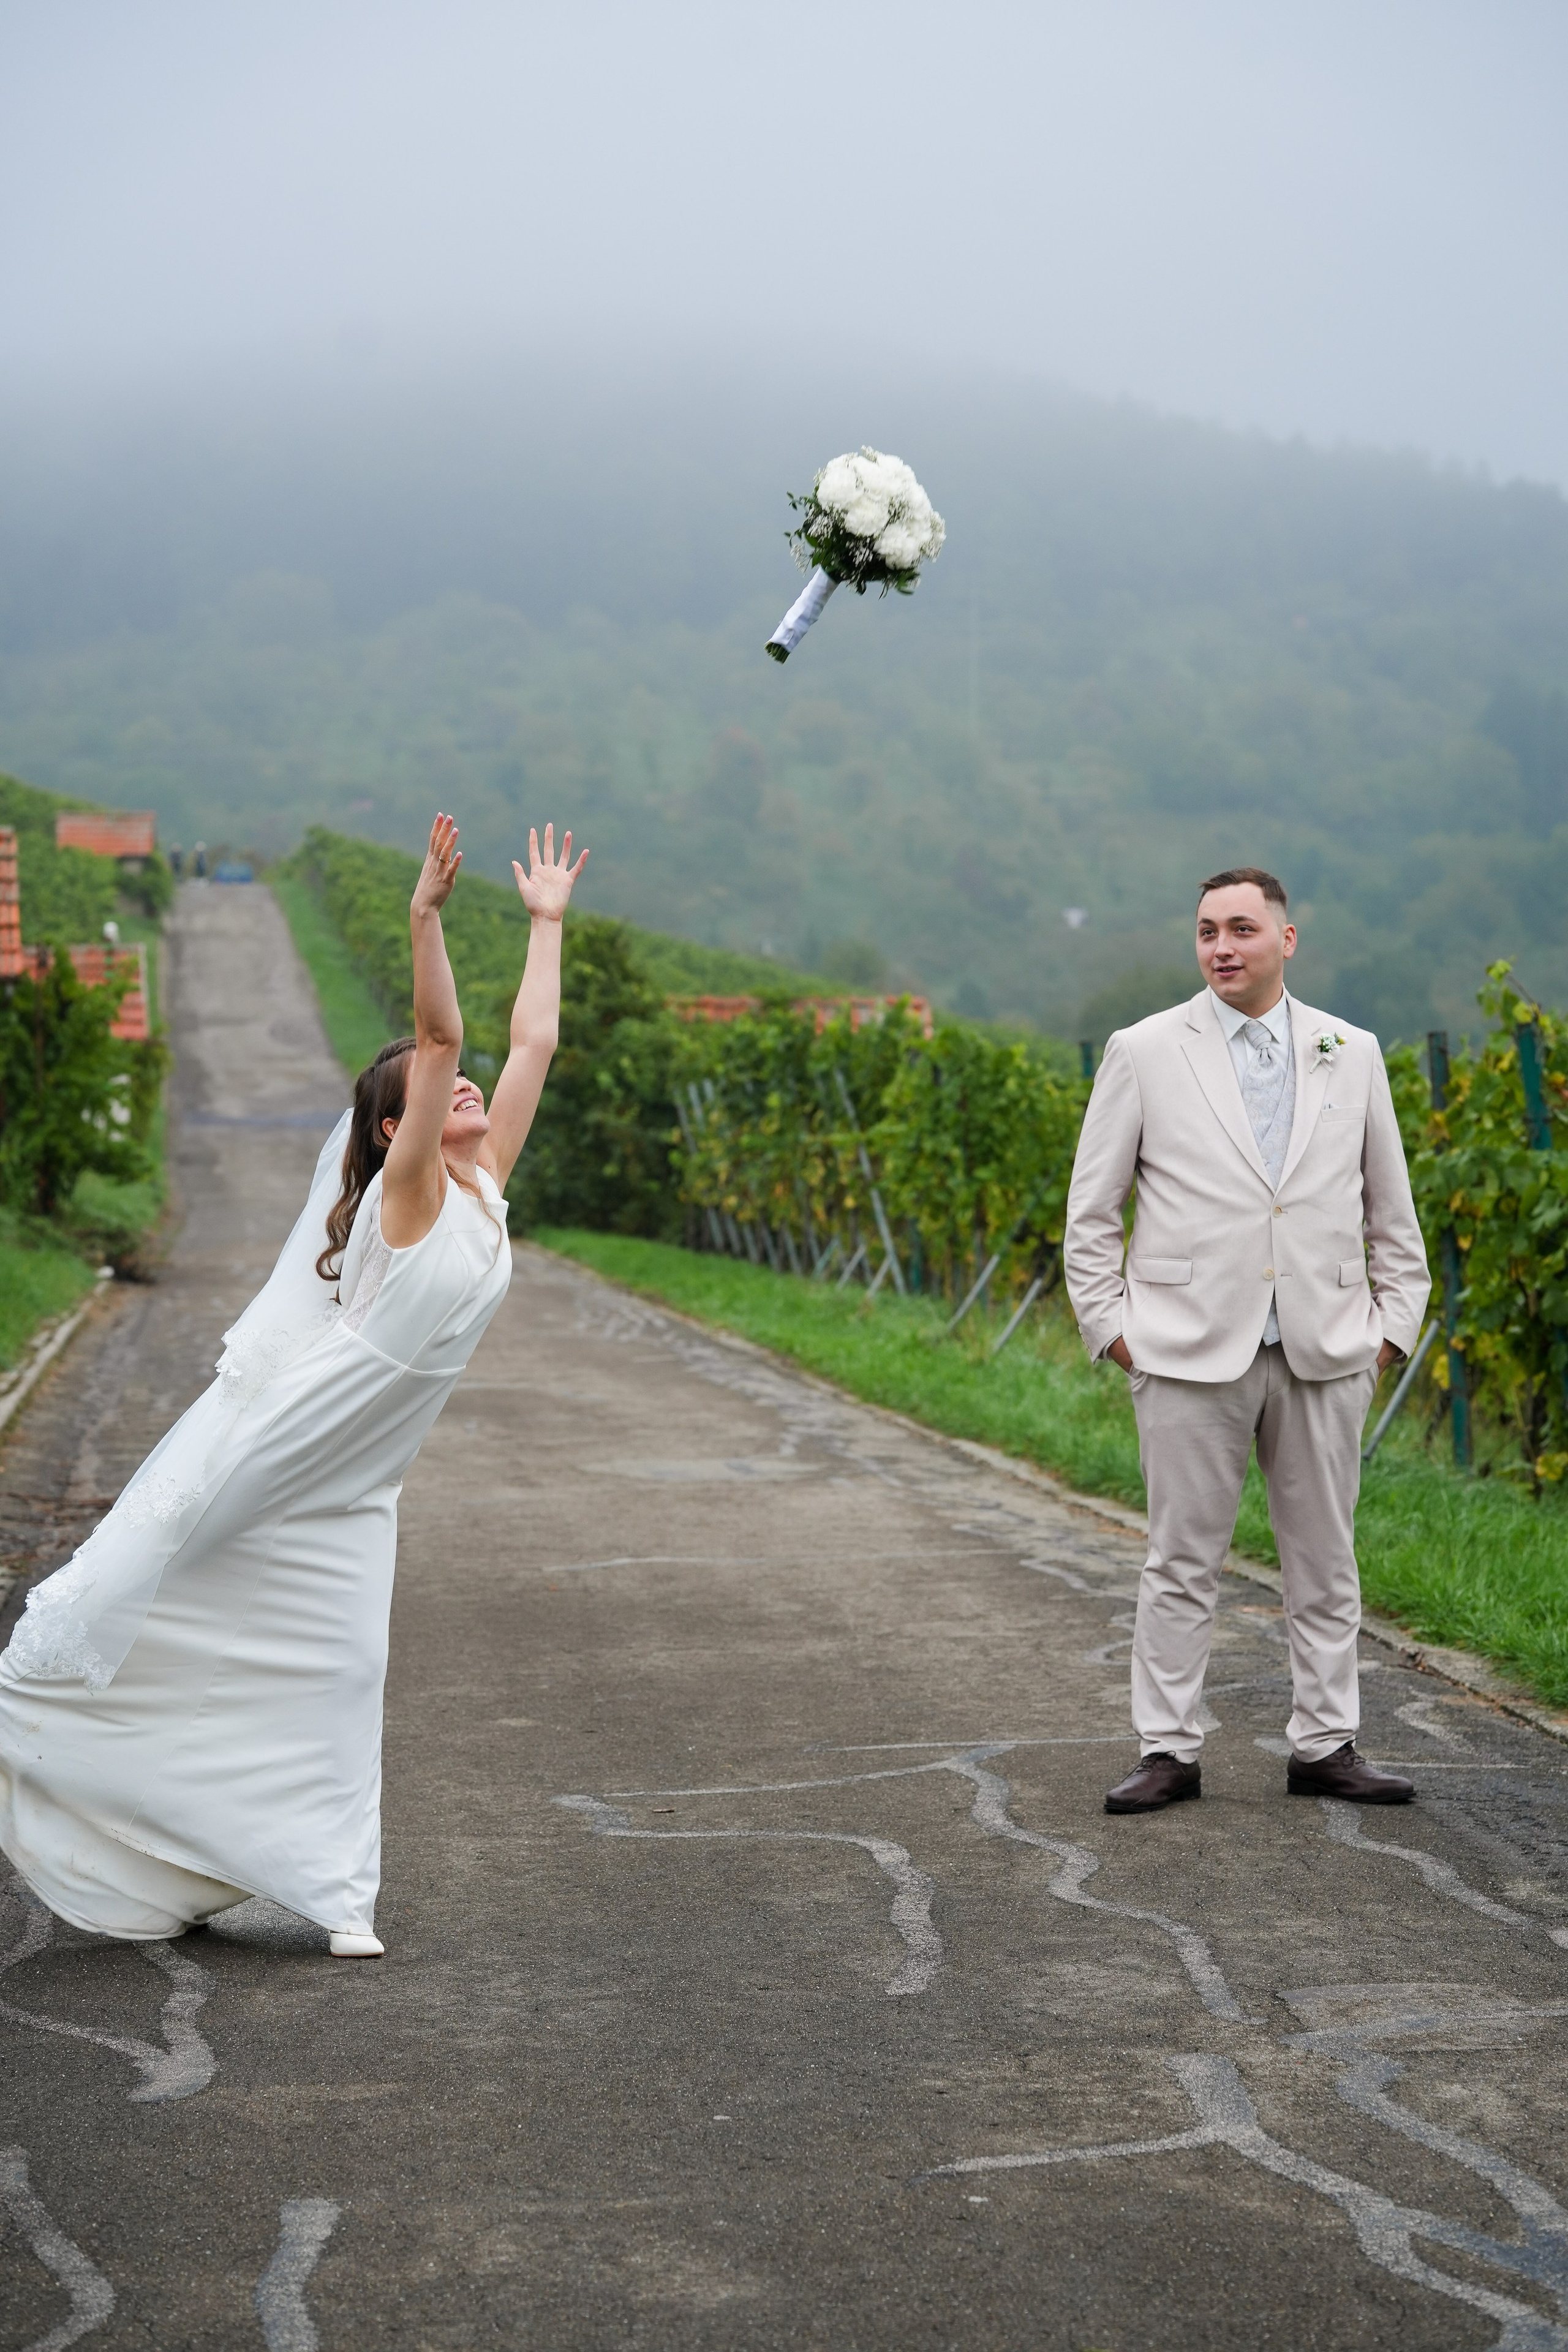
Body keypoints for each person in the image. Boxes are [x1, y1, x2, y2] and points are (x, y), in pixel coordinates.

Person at [0, 812, 586, 1953]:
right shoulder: (408, 1196)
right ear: (396, 1124)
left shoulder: (484, 1189)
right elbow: (447, 1036)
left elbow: (533, 1048)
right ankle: (62, 1742)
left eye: (461, 1096)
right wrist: (423, 915)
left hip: (366, 1475)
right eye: (434, 1093)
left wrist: (545, 926)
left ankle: (326, 1890)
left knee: (346, 1665)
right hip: (300, 1437)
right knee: (173, 1597)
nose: (465, 1096)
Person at [1063, 867, 1430, 1815]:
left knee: (1326, 1558)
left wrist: (1390, 1331)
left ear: (1287, 938)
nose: (1221, 947)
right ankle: (1168, 1751)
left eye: (1240, 929)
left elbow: (1391, 1209)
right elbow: (1091, 1213)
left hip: (1327, 1348)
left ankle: (1327, 1745)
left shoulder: (1351, 1051)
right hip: (1184, 1351)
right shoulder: (1144, 1050)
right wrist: (1114, 1332)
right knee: (1181, 1560)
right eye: (1205, 932)